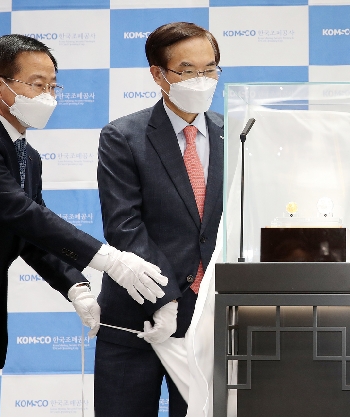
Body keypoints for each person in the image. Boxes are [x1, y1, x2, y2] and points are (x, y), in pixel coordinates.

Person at [0, 34, 169, 417]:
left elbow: (31, 237)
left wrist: (76, 286)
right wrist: (109, 260)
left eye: (52, 86)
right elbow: (22, 214)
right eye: (36, 84)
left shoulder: (28, 155)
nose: (48, 96)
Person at [94, 22, 223, 417]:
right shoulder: (123, 136)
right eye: (187, 70)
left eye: (210, 69)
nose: (201, 80)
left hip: (211, 317)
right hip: (137, 314)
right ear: (158, 74)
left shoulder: (235, 134)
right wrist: (165, 297)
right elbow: (124, 226)